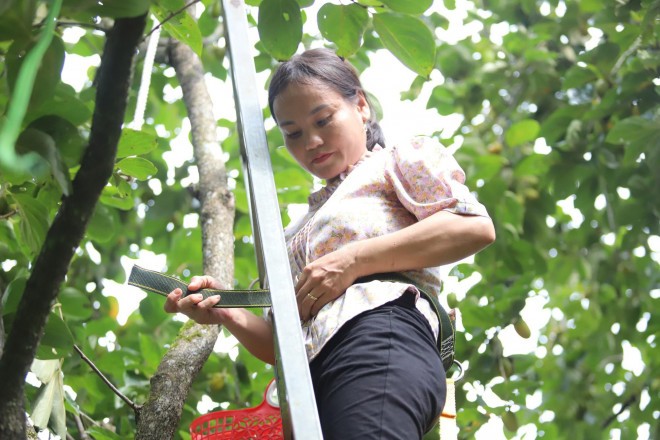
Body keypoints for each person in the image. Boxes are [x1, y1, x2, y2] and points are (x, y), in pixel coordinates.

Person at [164, 48, 495, 439]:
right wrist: (226, 311)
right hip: (308, 386)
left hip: (379, 337)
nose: (312, 141)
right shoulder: (292, 234)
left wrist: (353, 260)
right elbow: (280, 344)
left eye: (323, 119)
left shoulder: (394, 161)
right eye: (293, 133)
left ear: (360, 106)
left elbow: (473, 226)